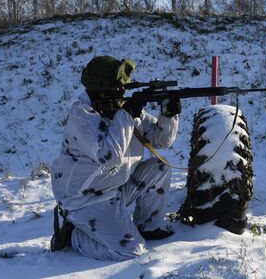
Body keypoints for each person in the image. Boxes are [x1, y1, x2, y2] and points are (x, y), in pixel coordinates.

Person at [50, 55, 181, 261]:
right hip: (84, 199)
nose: (121, 94)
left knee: (160, 168)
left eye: (122, 89)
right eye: (116, 90)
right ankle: (72, 237)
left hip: (115, 187)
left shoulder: (120, 109)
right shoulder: (82, 116)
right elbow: (109, 155)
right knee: (131, 251)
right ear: (99, 91)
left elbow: (160, 140)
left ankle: (149, 226)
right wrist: (127, 116)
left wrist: (169, 114)